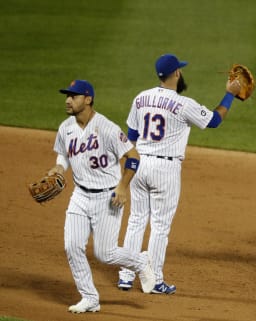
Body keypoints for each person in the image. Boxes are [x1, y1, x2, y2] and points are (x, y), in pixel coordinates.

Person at [118, 54, 242, 294]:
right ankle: (153, 280)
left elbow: (130, 136)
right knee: (160, 226)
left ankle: (125, 276)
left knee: (136, 220)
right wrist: (230, 93)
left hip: (139, 163)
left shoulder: (141, 98)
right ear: (176, 73)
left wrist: (128, 168)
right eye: (180, 70)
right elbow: (215, 120)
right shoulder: (184, 104)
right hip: (165, 169)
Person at [48, 80, 156, 313]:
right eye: (67, 95)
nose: (68, 100)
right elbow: (63, 156)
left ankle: (141, 262)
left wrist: (124, 186)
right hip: (79, 196)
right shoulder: (65, 127)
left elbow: (133, 157)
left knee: (104, 254)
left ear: (88, 99)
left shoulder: (106, 128)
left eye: (73, 96)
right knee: (72, 245)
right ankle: (90, 298)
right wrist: (58, 168)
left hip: (108, 198)